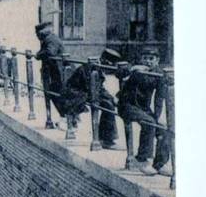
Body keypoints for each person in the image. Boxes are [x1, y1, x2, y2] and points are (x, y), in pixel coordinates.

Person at [117, 47, 170, 175]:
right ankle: (142, 160)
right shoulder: (136, 70)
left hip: (143, 108)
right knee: (149, 123)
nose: (147, 61)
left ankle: (159, 164)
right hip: (127, 105)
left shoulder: (158, 74)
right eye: (145, 58)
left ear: (157, 60)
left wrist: (157, 117)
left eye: (151, 59)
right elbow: (120, 72)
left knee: (162, 129)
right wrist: (132, 69)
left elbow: (159, 98)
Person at [56, 48, 120, 149]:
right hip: (76, 93)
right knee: (108, 105)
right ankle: (106, 139)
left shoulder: (96, 66)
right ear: (106, 61)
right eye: (110, 66)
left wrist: (111, 98)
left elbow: (98, 88)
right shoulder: (92, 68)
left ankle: (105, 138)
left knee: (109, 102)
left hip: (84, 91)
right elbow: (92, 89)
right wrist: (110, 99)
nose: (109, 69)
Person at [34, 21, 66, 119]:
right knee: (54, 93)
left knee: (57, 93)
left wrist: (38, 55)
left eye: (38, 34)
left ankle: (68, 117)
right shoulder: (48, 39)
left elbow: (50, 52)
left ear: (42, 33)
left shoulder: (50, 40)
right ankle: (66, 117)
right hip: (53, 72)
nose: (37, 37)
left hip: (58, 72)